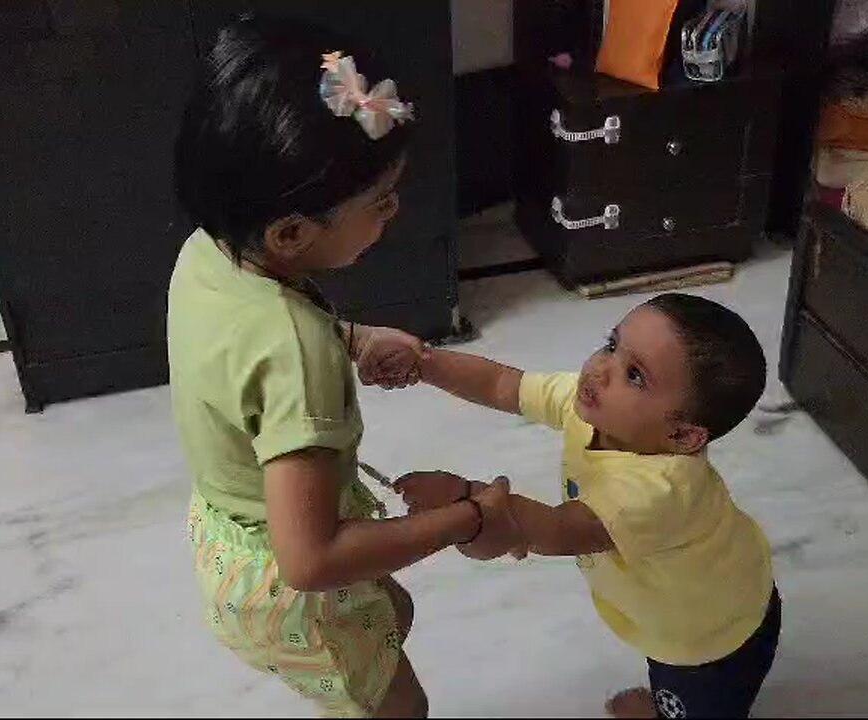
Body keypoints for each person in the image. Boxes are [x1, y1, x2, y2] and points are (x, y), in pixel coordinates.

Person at [167, 17, 522, 719]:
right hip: (291, 584)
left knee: (391, 614)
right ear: (292, 232)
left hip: (226, 537)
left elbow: (246, 350)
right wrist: (466, 517)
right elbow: (313, 560)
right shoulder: (294, 353)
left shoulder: (207, 252)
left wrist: (348, 338)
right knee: (399, 706)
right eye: (380, 202)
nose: (394, 213)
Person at [395, 293, 780, 719]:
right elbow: (503, 385)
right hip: (686, 593)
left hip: (711, 635)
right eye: (611, 345)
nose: (600, 368)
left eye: (635, 375)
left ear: (682, 438)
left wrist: (465, 494)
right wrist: (424, 363)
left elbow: (561, 530)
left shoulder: (659, 491)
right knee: (668, 671)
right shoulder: (600, 410)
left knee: (697, 701)